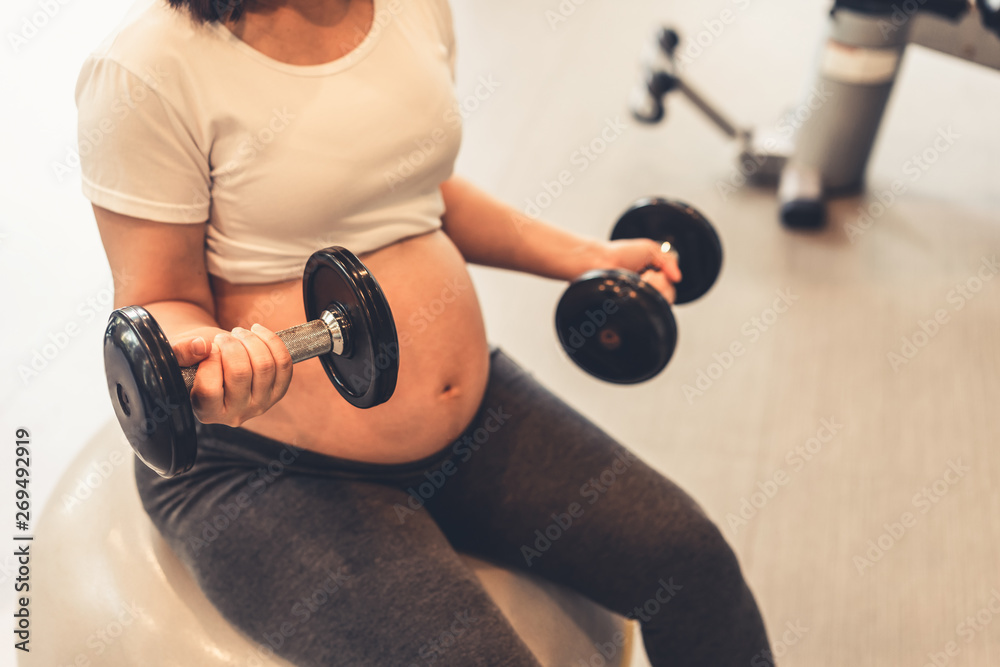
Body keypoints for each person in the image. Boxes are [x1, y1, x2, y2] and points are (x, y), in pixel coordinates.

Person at [76, 0, 771, 664]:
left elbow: (420, 191)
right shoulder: (147, 69)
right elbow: (159, 299)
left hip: (468, 423)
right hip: (259, 468)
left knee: (691, 560)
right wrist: (215, 362)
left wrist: (586, 257)